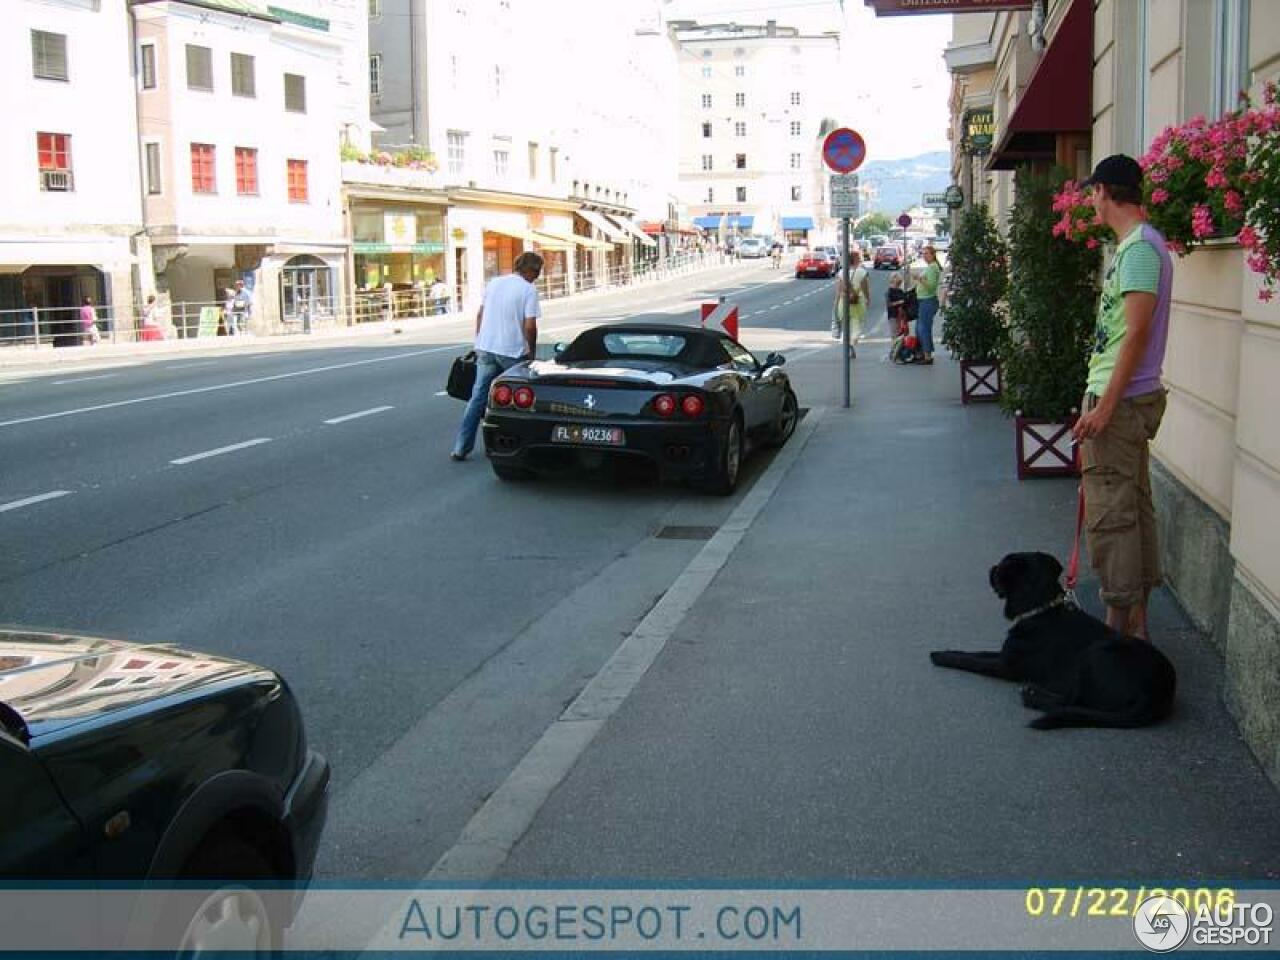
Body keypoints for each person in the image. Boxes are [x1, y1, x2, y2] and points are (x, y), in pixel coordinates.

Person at [1071, 154, 1173, 643]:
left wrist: (1104, 407)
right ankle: (1136, 627)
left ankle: (1117, 635)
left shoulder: (1137, 250)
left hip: (1121, 401)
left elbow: (1134, 334)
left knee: (1111, 516)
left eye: (1092, 193)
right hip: (1130, 396)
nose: (1090, 202)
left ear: (1105, 192)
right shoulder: (1143, 246)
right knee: (1133, 509)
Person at [451, 251, 544, 461]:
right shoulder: (528, 290)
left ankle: (461, 446)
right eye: (537, 271)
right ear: (530, 270)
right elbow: (530, 326)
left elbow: (480, 314)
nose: (537, 276)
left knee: (477, 398)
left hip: (486, 348)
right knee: (519, 400)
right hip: (512, 351)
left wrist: (479, 342)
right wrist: (532, 351)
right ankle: (516, 445)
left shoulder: (494, 283)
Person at [832, 251, 870, 358]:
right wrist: (868, 299)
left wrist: (836, 303)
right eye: (859, 257)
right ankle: (851, 344)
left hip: (843, 303)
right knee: (856, 326)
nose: (861, 258)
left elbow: (838, 290)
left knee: (846, 328)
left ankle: (849, 348)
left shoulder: (841, 272)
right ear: (856, 259)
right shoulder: (861, 272)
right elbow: (865, 288)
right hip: (857, 303)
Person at [912, 245, 943, 364]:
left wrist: (919, 279)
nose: (924, 256)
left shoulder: (932, 268)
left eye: (926, 254)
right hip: (924, 300)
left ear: (933, 255)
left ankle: (927, 355)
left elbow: (930, 286)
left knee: (923, 328)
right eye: (923, 253)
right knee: (920, 328)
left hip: (927, 301)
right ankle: (924, 353)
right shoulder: (931, 267)